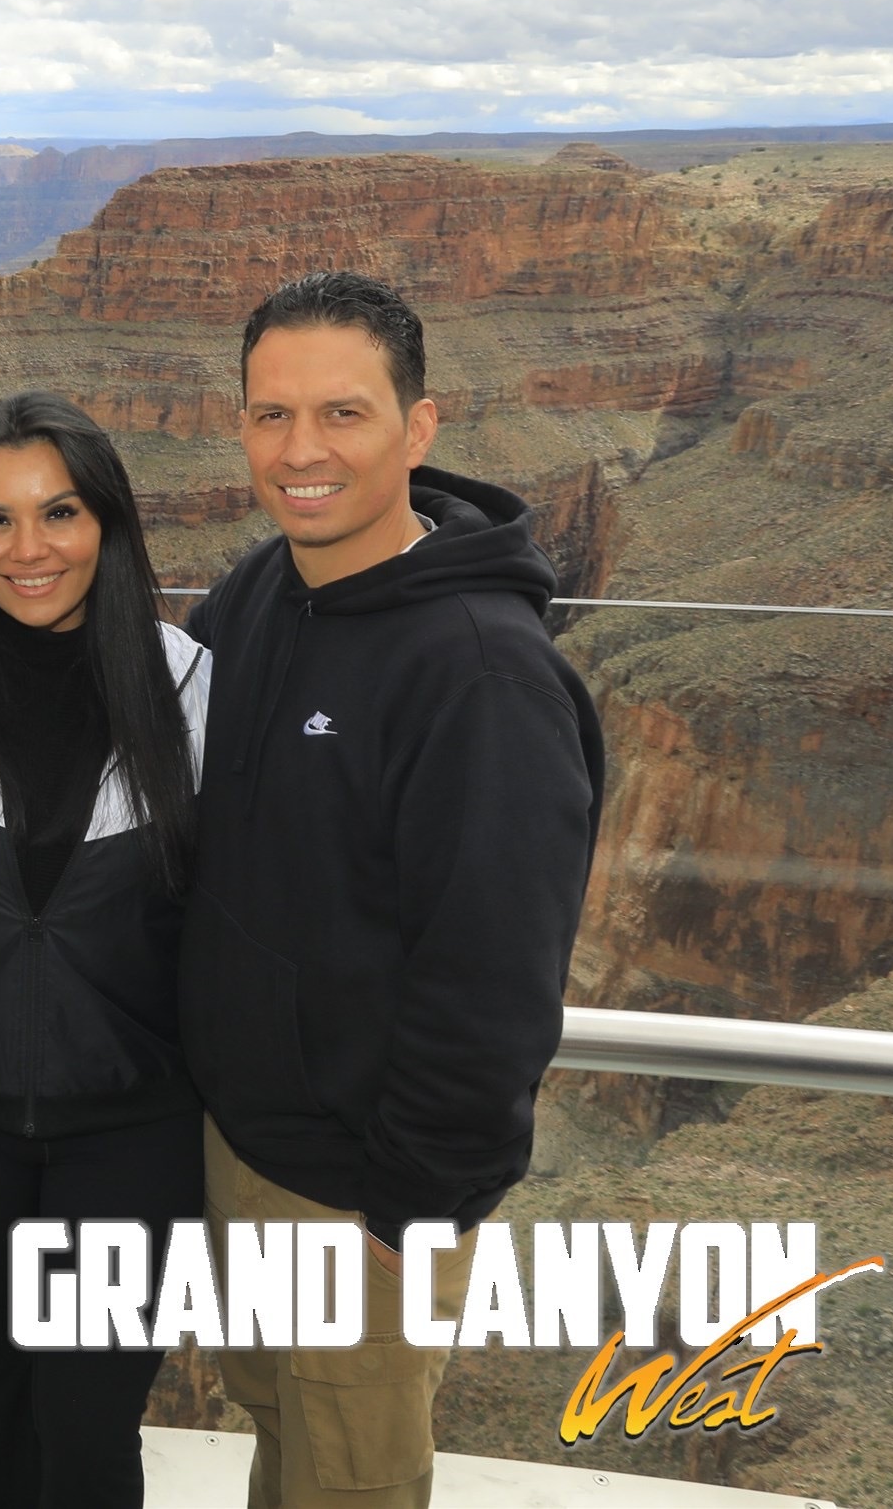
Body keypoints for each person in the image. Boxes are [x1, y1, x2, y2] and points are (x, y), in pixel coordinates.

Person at [182, 271, 604, 1508]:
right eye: (268, 415)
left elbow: (493, 990)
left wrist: (402, 1218)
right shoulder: (262, 591)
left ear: (417, 430)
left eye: (341, 415)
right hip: (243, 1150)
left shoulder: (480, 679)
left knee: (350, 1482)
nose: (298, 450)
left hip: (359, 1199)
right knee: (279, 1439)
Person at [0, 392, 209, 1509]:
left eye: (58, 513)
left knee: (86, 1415)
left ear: (108, 524)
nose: (27, 551)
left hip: (132, 1127)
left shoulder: (186, 688)